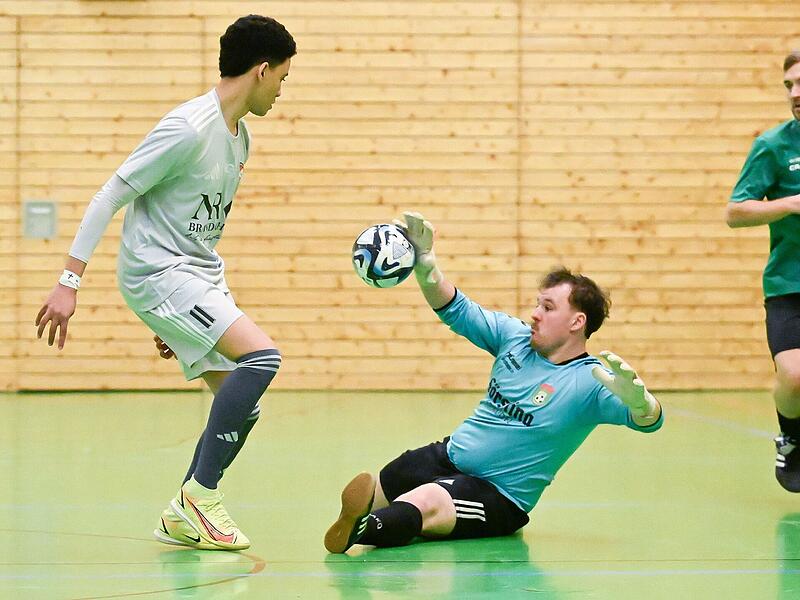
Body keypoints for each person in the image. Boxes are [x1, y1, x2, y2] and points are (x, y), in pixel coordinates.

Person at [34, 15, 296, 550]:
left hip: (195, 275)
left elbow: (194, 226)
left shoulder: (239, 137)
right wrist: (68, 281)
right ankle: (202, 496)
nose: (280, 92)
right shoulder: (186, 128)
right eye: (282, 79)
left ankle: (181, 514)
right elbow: (109, 196)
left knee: (244, 403)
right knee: (263, 358)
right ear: (262, 70)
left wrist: (179, 323)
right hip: (158, 272)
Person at [324, 212, 664, 553]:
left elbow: (649, 421)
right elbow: (454, 307)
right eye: (537, 304)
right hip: (450, 456)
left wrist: (642, 404)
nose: (534, 313)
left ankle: (365, 529)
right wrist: (426, 263)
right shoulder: (514, 337)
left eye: (547, 307)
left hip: (497, 495)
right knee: (390, 479)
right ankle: (368, 515)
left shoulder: (590, 382)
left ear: (577, 322)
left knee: (426, 501)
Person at [726, 51, 800, 493]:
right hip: (789, 285)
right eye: (789, 85)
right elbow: (736, 212)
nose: (796, 93)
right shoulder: (773, 147)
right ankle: (791, 436)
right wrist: (791, 203)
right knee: (793, 377)